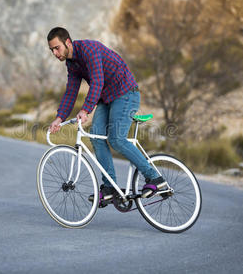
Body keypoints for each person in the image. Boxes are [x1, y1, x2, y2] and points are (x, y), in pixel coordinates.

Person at [47, 27, 166, 205]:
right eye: (52, 50)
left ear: (68, 42)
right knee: (96, 137)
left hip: (125, 92)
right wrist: (59, 118)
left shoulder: (89, 49)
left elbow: (98, 81)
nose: (55, 53)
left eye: (57, 48)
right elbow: (71, 92)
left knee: (117, 139)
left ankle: (156, 179)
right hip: (106, 98)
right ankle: (110, 187)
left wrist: (86, 109)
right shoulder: (71, 64)